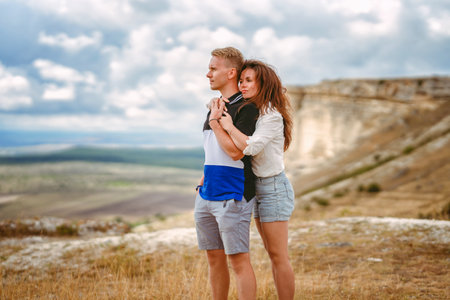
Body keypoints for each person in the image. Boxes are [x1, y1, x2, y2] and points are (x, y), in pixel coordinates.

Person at [212, 59, 295, 300]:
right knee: (272, 253)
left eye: (249, 80)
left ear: (263, 83)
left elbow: (251, 147)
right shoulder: (256, 111)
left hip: (273, 188)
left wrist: (227, 125)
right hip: (257, 188)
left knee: (278, 255)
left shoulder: (271, 116)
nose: (242, 85)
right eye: (241, 80)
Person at [194, 47, 259, 300]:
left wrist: (215, 121)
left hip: (233, 193)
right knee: (213, 258)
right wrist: (203, 177)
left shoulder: (247, 108)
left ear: (231, 72)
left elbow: (235, 153)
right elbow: (213, 149)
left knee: (239, 261)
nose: (207, 73)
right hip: (207, 193)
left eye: (213, 68)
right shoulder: (214, 106)